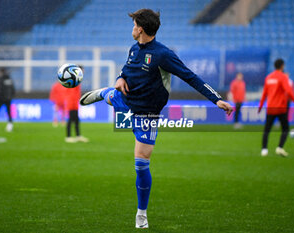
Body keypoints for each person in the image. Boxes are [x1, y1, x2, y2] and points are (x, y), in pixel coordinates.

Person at [80, 9, 233, 228]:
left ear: (140, 29)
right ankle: (105, 93)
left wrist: (216, 99)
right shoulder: (133, 50)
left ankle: (141, 213)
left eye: (133, 25)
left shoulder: (162, 54)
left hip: (147, 114)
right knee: (113, 95)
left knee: (141, 165)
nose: (132, 29)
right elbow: (126, 71)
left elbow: (190, 77)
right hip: (128, 100)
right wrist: (119, 78)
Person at [258, 59, 294, 157]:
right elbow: (289, 91)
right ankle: (279, 147)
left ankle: (264, 150)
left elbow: (264, 93)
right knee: (285, 129)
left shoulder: (268, 78)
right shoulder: (283, 77)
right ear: (282, 66)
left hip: (271, 108)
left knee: (267, 130)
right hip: (281, 108)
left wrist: (260, 106)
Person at [64, 66, 89, 143]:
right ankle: (68, 137)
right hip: (72, 103)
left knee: (76, 120)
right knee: (71, 120)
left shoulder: (77, 80)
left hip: (75, 103)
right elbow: (70, 92)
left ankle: (78, 136)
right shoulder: (73, 80)